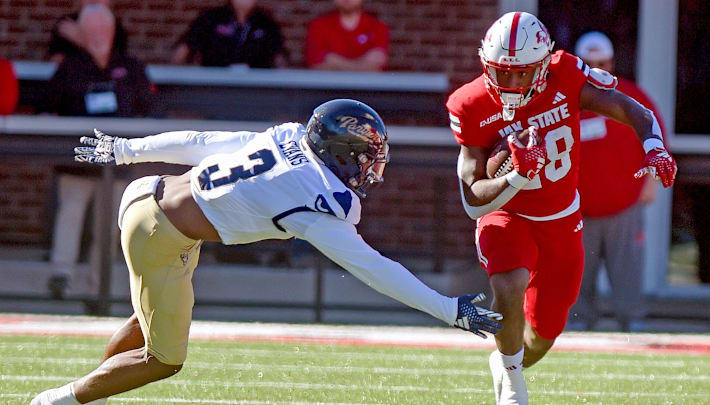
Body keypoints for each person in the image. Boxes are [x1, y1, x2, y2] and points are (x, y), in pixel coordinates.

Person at [30, 99, 504, 404]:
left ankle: (90, 388)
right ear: (339, 153)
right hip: (161, 234)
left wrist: (129, 150)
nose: (371, 169)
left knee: (148, 317)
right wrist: (448, 310)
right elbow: (375, 269)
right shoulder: (314, 202)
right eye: (365, 158)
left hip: (146, 196)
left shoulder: (288, 139)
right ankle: (58, 401)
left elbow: (203, 143)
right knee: (164, 359)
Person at [445, 12, 676, 405]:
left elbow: (631, 108)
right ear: (485, 63)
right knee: (508, 281)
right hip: (507, 212)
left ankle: (508, 362)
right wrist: (516, 175)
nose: (513, 83)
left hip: (561, 219)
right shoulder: (470, 103)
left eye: (523, 72)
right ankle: (514, 386)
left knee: (545, 333)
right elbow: (472, 198)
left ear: (544, 64)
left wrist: (653, 146)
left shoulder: (565, 75)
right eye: (503, 72)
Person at [40, 4, 153, 301]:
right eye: (92, 30)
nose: (98, 35)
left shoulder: (130, 67)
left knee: (109, 225)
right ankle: (61, 277)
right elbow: (47, 106)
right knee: (70, 214)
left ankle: (96, 286)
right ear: (82, 33)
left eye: (104, 29)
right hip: (77, 160)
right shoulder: (69, 67)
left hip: (116, 162)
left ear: (113, 31)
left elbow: (148, 110)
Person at [569, 31, 666, 332]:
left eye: (602, 62)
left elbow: (656, 136)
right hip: (577, 211)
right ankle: (578, 325)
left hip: (625, 206)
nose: (597, 68)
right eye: (588, 63)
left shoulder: (632, 96)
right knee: (576, 277)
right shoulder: (565, 100)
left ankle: (632, 324)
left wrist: (651, 181)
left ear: (612, 62)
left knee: (628, 274)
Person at [170, 0, 285, 68]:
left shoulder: (266, 22)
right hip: (213, 89)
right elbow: (183, 51)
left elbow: (280, 60)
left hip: (256, 93)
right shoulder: (211, 18)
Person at [305, 0, 389, 71]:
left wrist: (334, 61)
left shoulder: (377, 27)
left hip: (367, 89)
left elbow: (376, 67)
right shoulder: (318, 26)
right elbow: (316, 66)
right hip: (327, 88)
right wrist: (362, 64)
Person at [47, 0, 128, 64]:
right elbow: (55, 61)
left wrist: (81, 39)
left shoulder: (116, 28)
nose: (94, 1)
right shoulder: (66, 24)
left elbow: (116, 65)